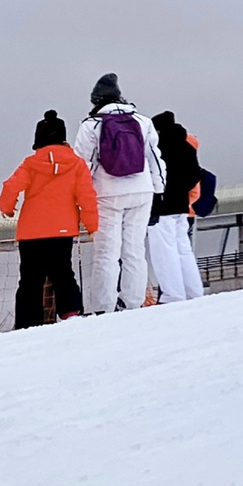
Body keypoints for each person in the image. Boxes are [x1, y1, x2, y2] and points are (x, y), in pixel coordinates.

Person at [72, 74, 164, 314]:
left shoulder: (91, 124)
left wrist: (81, 198)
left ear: (96, 100)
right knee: (134, 249)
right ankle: (132, 301)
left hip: (107, 193)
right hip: (142, 192)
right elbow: (155, 158)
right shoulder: (143, 121)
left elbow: (84, 166)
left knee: (107, 252)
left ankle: (104, 306)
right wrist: (158, 190)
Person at [0, 110, 99, 328]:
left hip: (31, 232)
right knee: (63, 274)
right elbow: (86, 196)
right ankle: (70, 314)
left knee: (29, 281)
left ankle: (27, 324)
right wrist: (91, 224)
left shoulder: (30, 163)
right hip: (62, 231)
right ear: (63, 138)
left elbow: (10, 186)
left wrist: (7, 208)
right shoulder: (76, 164)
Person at [145, 112, 205, 303]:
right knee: (183, 249)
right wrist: (181, 190)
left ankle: (173, 294)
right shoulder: (186, 145)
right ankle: (194, 291)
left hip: (161, 206)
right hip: (182, 205)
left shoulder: (158, 147)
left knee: (164, 250)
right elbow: (195, 175)